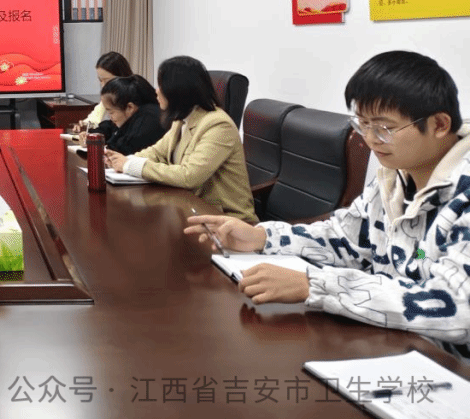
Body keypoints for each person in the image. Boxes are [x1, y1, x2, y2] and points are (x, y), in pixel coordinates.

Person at [187, 50, 470, 358]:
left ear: (439, 124)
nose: (371, 140)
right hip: (388, 342)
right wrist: (262, 237)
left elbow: (458, 306)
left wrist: (317, 286)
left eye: (384, 128)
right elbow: (344, 238)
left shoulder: (462, 192)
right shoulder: (395, 176)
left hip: (448, 367)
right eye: (363, 125)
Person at [107, 56, 256, 222]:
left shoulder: (219, 125)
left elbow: (189, 176)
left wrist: (129, 165)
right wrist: (120, 161)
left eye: (161, 86)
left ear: (177, 90)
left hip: (226, 220)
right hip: (190, 210)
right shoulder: (182, 119)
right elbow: (157, 152)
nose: (156, 91)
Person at [93, 74, 165, 156]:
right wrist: (92, 135)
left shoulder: (147, 122)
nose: (110, 117)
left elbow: (120, 150)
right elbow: (111, 127)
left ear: (130, 107)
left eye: (111, 112)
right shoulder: (136, 113)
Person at [72, 51, 134, 133]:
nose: (103, 86)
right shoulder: (108, 97)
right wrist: (84, 125)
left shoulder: (133, 100)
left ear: (121, 77)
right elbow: (95, 118)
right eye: (100, 80)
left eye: (107, 80)